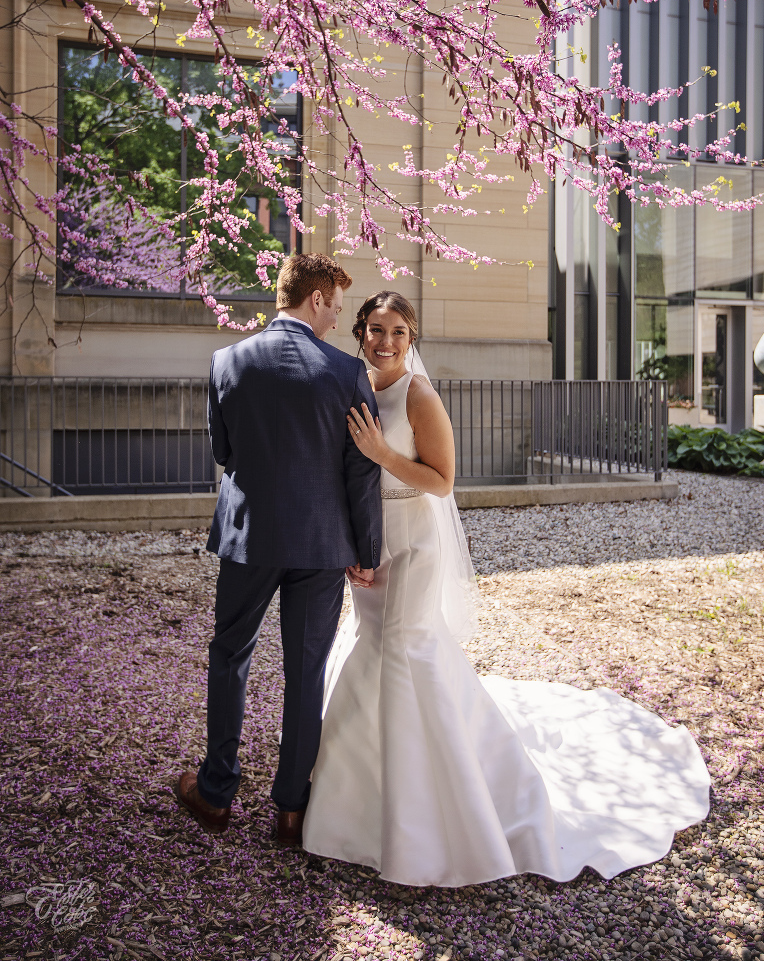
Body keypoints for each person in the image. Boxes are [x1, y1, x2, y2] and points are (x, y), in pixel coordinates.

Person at [302, 290, 711, 887]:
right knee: (370, 649)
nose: (384, 342)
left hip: (414, 544)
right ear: (359, 333)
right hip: (371, 544)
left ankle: (432, 813)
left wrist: (383, 452)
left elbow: (441, 482)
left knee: (406, 650)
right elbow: (343, 474)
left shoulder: (419, 394)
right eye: (374, 329)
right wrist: (352, 547)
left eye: (396, 332)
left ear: (411, 339)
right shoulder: (353, 385)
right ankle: (359, 798)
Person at [174, 254, 382, 847]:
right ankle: (291, 810)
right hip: (321, 543)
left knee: (230, 655)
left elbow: (223, 449)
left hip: (250, 537)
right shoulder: (346, 372)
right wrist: (366, 550)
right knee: (305, 670)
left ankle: (215, 794)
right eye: (336, 307)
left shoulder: (226, 361)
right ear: (316, 298)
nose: (338, 319)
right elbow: (360, 472)